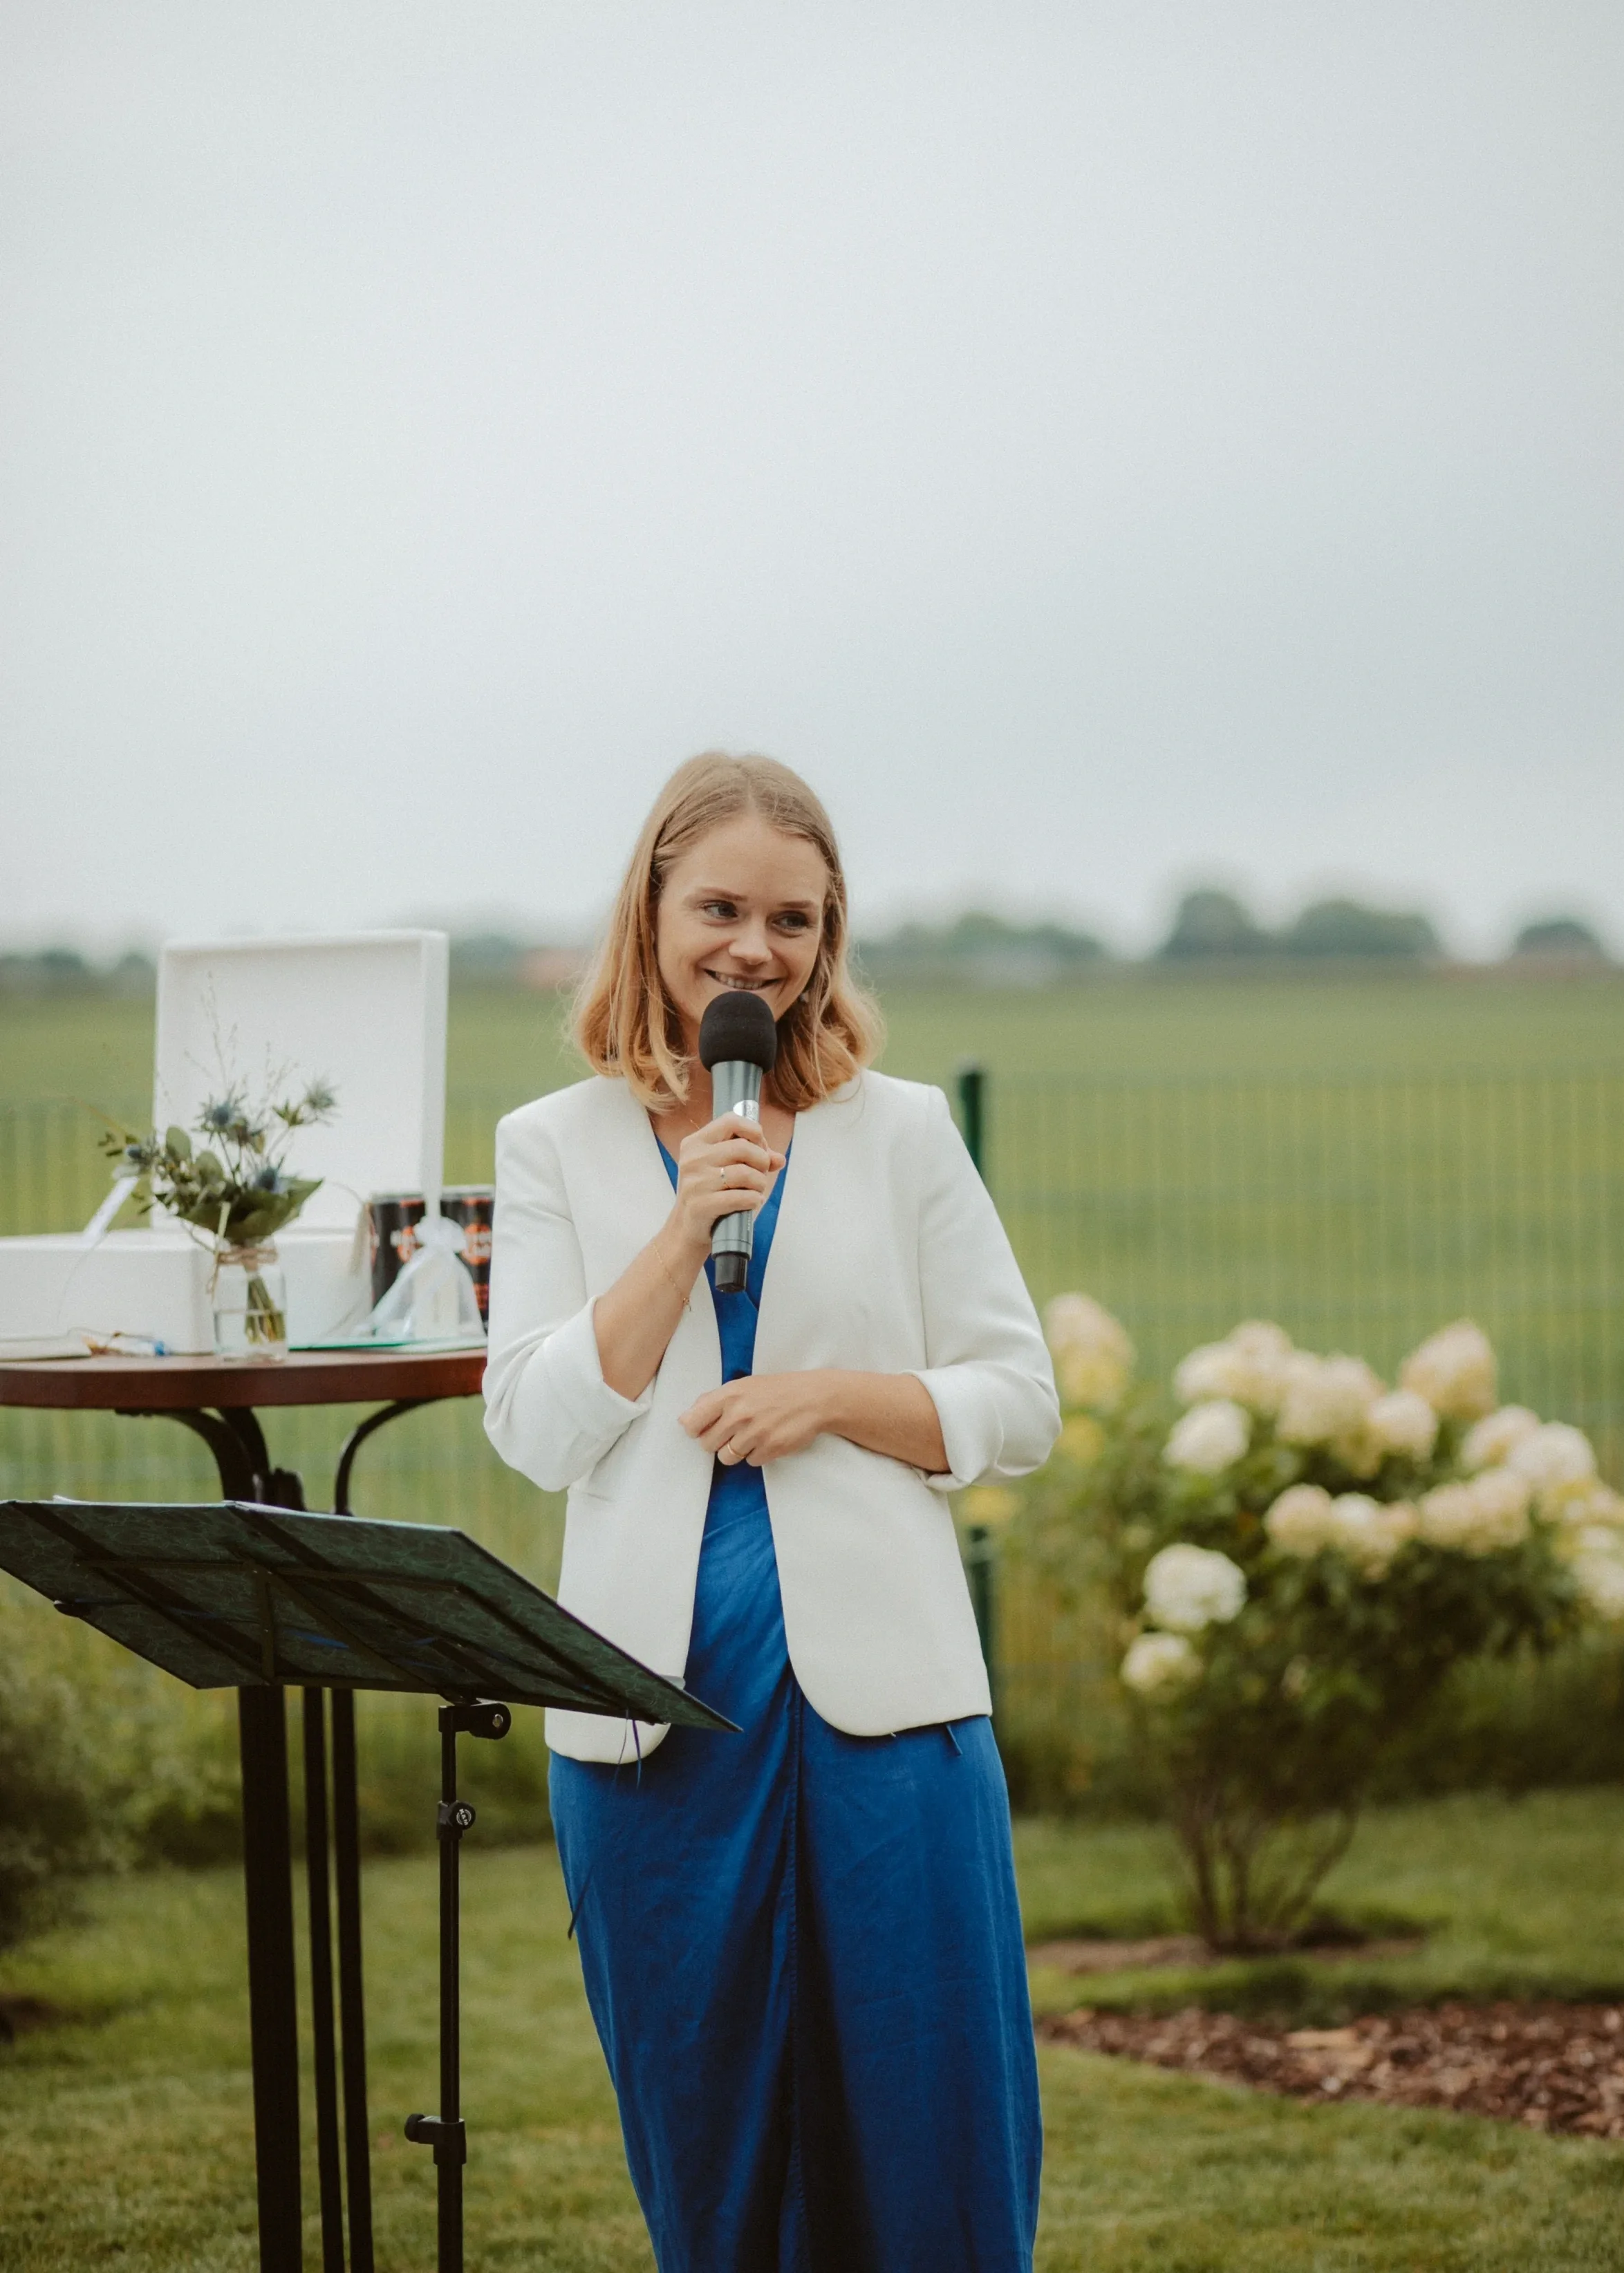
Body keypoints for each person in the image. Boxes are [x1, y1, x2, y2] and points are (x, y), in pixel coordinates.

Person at [483, 751, 1060, 2272]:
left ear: (828, 938)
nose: (754, 949)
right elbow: (536, 1428)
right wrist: (680, 1230)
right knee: (711, 2135)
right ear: (650, 909)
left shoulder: (903, 1128)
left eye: (792, 921)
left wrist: (834, 1401)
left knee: (928, 2123)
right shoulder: (550, 1144)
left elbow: (1017, 1399)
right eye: (720, 907)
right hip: (650, 1717)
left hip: (890, 1711)